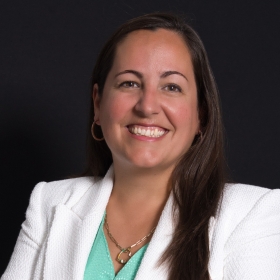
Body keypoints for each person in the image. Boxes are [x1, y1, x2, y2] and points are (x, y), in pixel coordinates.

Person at [2, 12, 280, 280]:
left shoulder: (250, 214)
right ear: (98, 104)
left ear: (201, 115)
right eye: (129, 83)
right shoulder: (49, 203)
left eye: (171, 87)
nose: (147, 106)